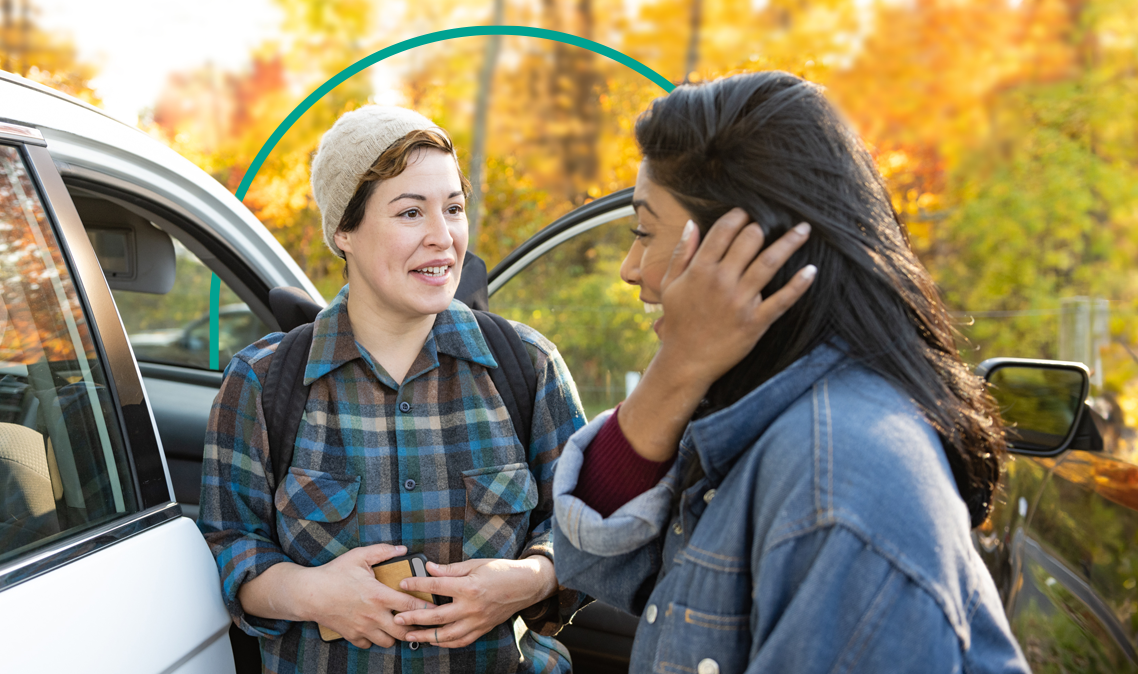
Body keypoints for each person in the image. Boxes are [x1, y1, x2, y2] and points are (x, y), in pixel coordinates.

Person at [552, 72, 1029, 673]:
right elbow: (590, 561)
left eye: (644, 232)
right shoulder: (752, 413)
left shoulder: (838, 479)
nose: (629, 267)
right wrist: (679, 365)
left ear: (746, 249)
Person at [199, 105, 587, 674]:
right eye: (410, 212)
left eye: (453, 209)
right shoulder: (262, 382)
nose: (443, 238)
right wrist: (311, 593)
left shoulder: (527, 366)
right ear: (344, 231)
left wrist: (529, 580)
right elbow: (229, 544)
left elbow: (587, 529)